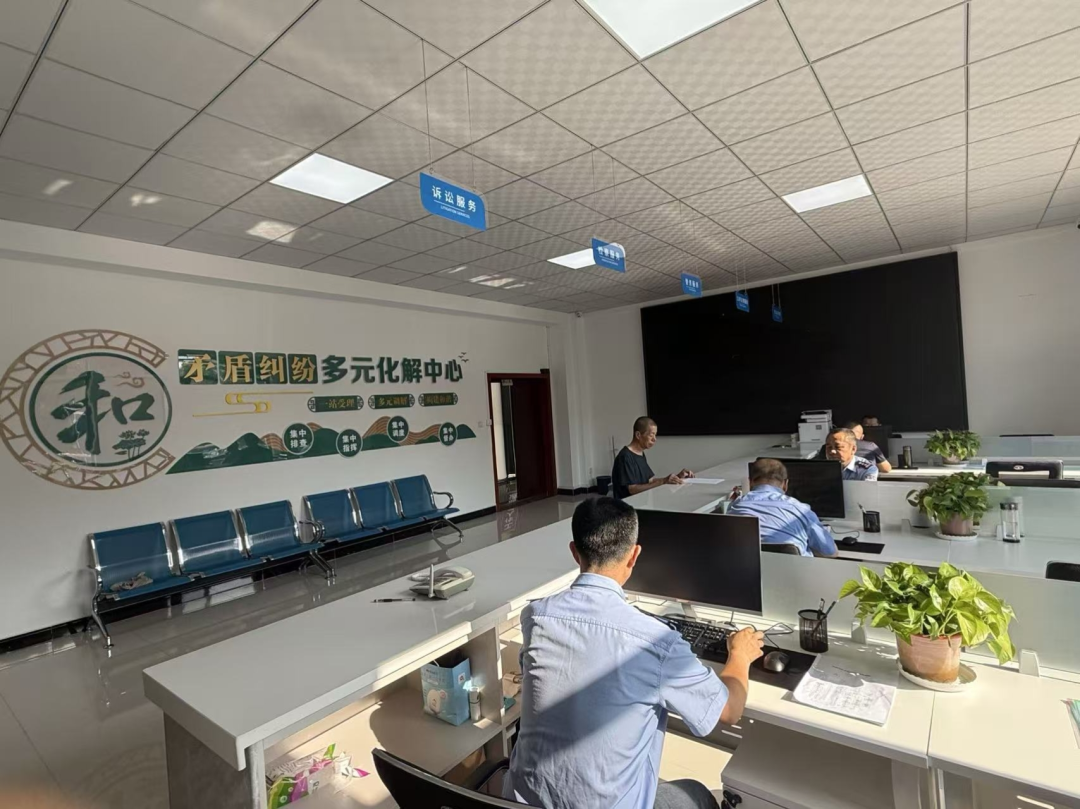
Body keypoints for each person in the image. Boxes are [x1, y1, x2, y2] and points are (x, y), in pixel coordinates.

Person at [505, 498, 764, 809]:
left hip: (522, 803)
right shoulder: (656, 641)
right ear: (634, 555)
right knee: (697, 793)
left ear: (574, 552)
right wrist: (740, 655)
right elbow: (729, 711)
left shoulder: (536, 616)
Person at [727, 459, 838, 557]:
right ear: (785, 484)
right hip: (793, 572)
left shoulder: (735, 505)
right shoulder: (800, 509)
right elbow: (830, 552)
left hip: (747, 572)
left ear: (750, 482)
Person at [611, 416, 694, 499]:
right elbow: (632, 489)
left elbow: (650, 481)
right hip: (626, 506)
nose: (654, 439)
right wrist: (663, 481)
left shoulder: (640, 454)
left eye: (655, 435)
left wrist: (676, 477)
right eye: (651, 435)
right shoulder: (625, 457)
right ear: (638, 435)